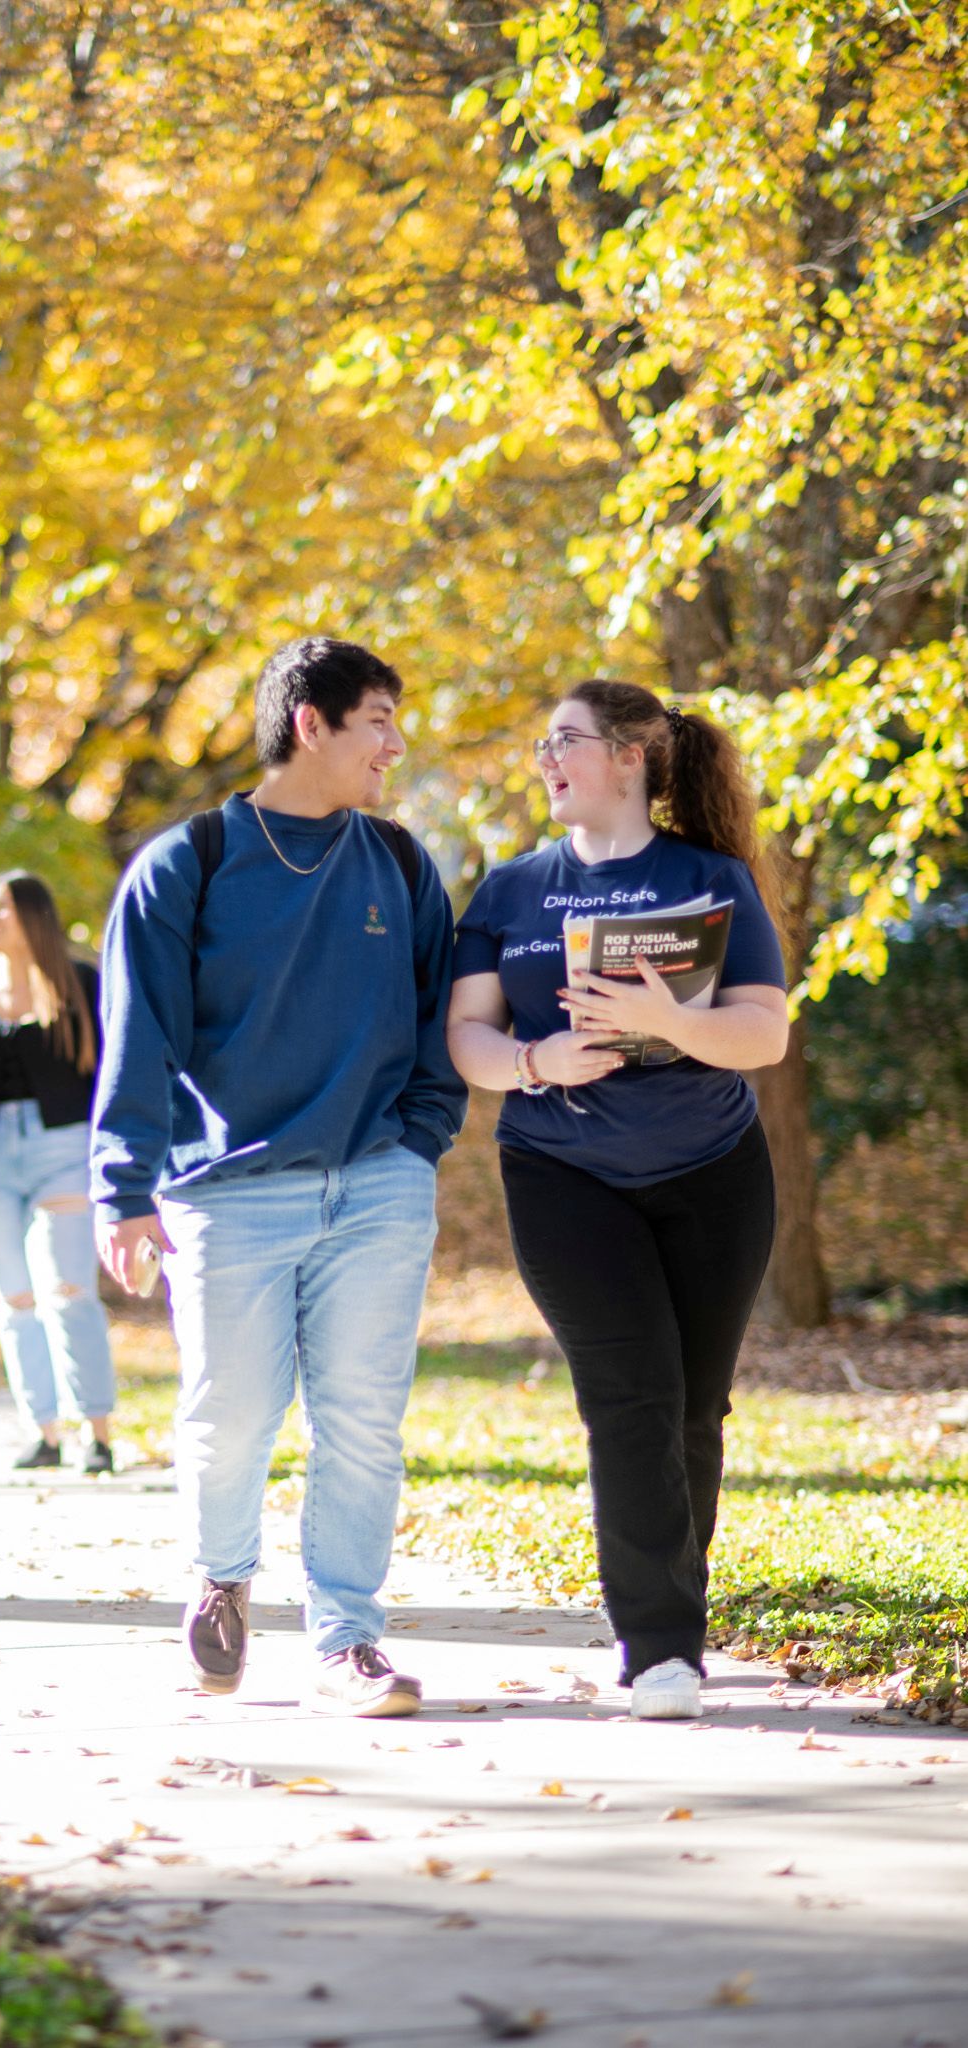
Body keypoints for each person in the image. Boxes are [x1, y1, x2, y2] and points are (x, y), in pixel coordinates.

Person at [90, 637, 467, 1717]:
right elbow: (138, 1037)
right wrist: (122, 1189)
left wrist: (419, 1136)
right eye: (379, 721)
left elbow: (444, 1010)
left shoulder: (398, 862)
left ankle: (349, 1638)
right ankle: (222, 1580)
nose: (396, 744)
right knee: (232, 1416)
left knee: (361, 1419)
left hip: (378, 1186)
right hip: (227, 1192)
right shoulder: (189, 862)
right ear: (311, 722)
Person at [445, 680, 790, 1721]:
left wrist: (662, 1017)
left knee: (692, 1405)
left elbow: (763, 1033)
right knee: (630, 1398)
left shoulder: (711, 876)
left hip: (714, 1171)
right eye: (542, 742)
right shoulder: (509, 890)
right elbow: (467, 1038)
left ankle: (668, 1607)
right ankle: (660, 1645)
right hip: (563, 1172)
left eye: (567, 742)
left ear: (634, 755)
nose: (547, 759)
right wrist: (537, 1057)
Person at [0, 873, 117, 1473]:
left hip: (64, 1149)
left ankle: (95, 1433)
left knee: (69, 1290)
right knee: (15, 1300)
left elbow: (111, 1076)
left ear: (34, 919)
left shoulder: (81, 984)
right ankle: (43, 1432)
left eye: (3, 909)